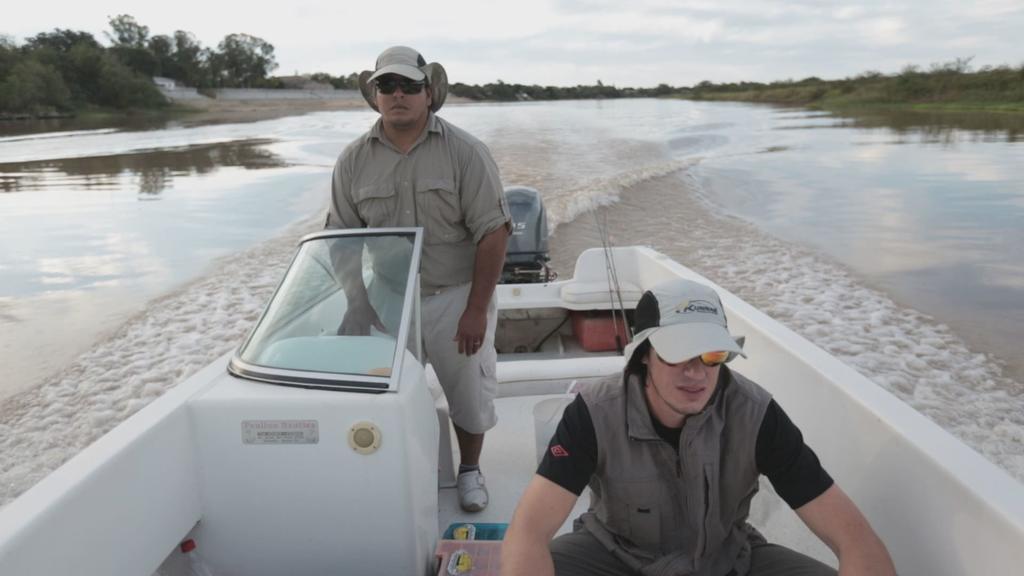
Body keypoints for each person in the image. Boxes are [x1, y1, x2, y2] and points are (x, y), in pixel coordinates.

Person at [502, 278, 897, 575]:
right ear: (643, 356)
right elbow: (529, 530)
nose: (696, 373)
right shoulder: (592, 412)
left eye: (711, 354)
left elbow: (857, 541)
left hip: (725, 561)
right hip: (615, 557)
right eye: (678, 353)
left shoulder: (756, 414)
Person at [325, 46, 510, 512]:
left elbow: (494, 233)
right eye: (387, 86)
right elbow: (341, 238)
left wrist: (474, 310)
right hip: (389, 297)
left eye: (409, 85)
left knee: (468, 394)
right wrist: (356, 302)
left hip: (457, 296)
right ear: (375, 95)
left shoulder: (467, 152)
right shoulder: (352, 161)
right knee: (383, 395)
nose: (398, 94)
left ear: (429, 93)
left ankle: (470, 470)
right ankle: (397, 470)